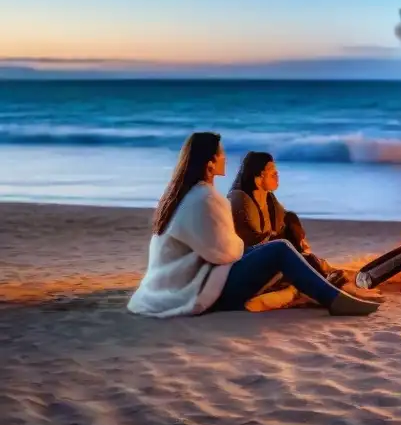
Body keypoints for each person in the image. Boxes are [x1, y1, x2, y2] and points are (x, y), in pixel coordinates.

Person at [127, 132, 381, 318]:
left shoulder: (180, 196)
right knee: (279, 249)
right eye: (221, 154)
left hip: (178, 286)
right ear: (210, 164)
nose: (226, 159)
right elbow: (225, 252)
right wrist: (245, 246)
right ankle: (333, 299)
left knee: (277, 249)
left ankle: (328, 288)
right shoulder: (205, 198)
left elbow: (219, 248)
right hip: (203, 292)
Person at [227, 151, 340, 282]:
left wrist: (298, 240)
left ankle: (314, 266)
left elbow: (285, 220)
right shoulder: (240, 199)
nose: (277, 175)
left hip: (269, 252)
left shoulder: (268, 198)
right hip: (249, 261)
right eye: (272, 173)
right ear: (258, 176)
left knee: (290, 219)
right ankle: (319, 274)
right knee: (299, 255)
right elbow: (252, 242)